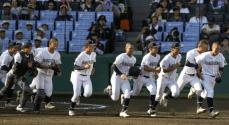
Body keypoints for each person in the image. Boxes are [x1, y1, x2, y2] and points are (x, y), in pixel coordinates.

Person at [0, 42, 37, 112]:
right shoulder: (19, 55)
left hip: (19, 75)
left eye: (30, 48)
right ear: (24, 48)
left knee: (27, 90)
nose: (30, 49)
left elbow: (31, 65)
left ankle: (20, 106)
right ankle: (17, 100)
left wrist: (32, 69)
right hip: (12, 75)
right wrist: (27, 67)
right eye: (28, 48)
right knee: (6, 88)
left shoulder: (31, 55)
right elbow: (15, 68)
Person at [195, 42, 227, 118]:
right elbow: (195, 62)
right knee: (210, 91)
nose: (217, 50)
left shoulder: (221, 56)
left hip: (214, 78)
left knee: (205, 94)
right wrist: (198, 73)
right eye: (216, 48)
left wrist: (219, 75)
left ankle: (198, 106)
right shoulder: (205, 55)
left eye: (219, 49)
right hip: (205, 76)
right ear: (212, 48)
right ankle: (212, 111)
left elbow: (221, 68)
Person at [104, 43, 136, 118]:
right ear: (126, 49)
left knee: (128, 93)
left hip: (125, 79)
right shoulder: (121, 56)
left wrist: (133, 75)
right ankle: (109, 90)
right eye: (129, 48)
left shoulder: (134, 59)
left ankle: (123, 111)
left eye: (132, 48)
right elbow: (113, 66)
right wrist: (121, 74)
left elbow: (130, 70)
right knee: (115, 98)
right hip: (116, 77)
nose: (131, 50)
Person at [177, 40, 209, 114]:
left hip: (194, 76)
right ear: (199, 46)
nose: (205, 49)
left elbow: (201, 66)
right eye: (204, 48)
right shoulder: (191, 52)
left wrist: (200, 73)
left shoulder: (204, 54)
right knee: (176, 92)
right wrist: (197, 66)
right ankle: (165, 96)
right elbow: (187, 63)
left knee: (199, 90)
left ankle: (199, 108)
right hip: (185, 74)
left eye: (206, 48)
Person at [130, 42, 161, 117]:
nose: (157, 48)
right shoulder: (147, 57)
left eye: (157, 47)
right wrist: (155, 71)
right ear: (150, 49)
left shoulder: (158, 56)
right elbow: (145, 68)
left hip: (149, 78)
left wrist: (156, 73)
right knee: (135, 93)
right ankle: (125, 95)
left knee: (153, 90)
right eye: (155, 47)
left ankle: (151, 110)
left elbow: (154, 66)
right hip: (140, 77)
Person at [33, 38, 62, 113]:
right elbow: (36, 64)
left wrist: (59, 71)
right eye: (54, 44)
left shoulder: (57, 54)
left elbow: (57, 63)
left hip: (49, 75)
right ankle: (36, 109)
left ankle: (46, 103)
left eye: (57, 44)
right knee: (40, 92)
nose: (56, 45)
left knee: (49, 93)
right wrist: (46, 67)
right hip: (40, 73)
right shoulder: (43, 52)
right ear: (50, 44)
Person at [69, 40, 96, 116]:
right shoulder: (81, 55)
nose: (93, 47)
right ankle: (71, 109)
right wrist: (84, 67)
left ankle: (78, 96)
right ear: (86, 47)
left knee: (88, 94)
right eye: (91, 46)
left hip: (87, 77)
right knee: (76, 94)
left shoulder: (94, 54)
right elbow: (75, 66)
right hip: (78, 75)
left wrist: (93, 68)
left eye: (93, 46)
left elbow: (93, 62)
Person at [153, 42, 181, 111]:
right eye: (177, 49)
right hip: (163, 78)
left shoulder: (179, 56)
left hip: (172, 79)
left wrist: (174, 66)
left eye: (179, 48)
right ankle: (152, 109)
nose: (178, 50)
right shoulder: (166, 59)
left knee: (176, 93)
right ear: (172, 49)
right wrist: (175, 66)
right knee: (158, 96)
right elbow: (165, 70)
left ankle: (165, 96)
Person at [0, 42, 18, 108]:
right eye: (14, 48)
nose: (16, 49)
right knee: (8, 86)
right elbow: (3, 67)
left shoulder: (13, 54)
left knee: (11, 86)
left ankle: (8, 103)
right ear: (10, 48)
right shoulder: (6, 55)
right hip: (1, 72)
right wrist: (12, 71)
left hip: (4, 73)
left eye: (16, 48)